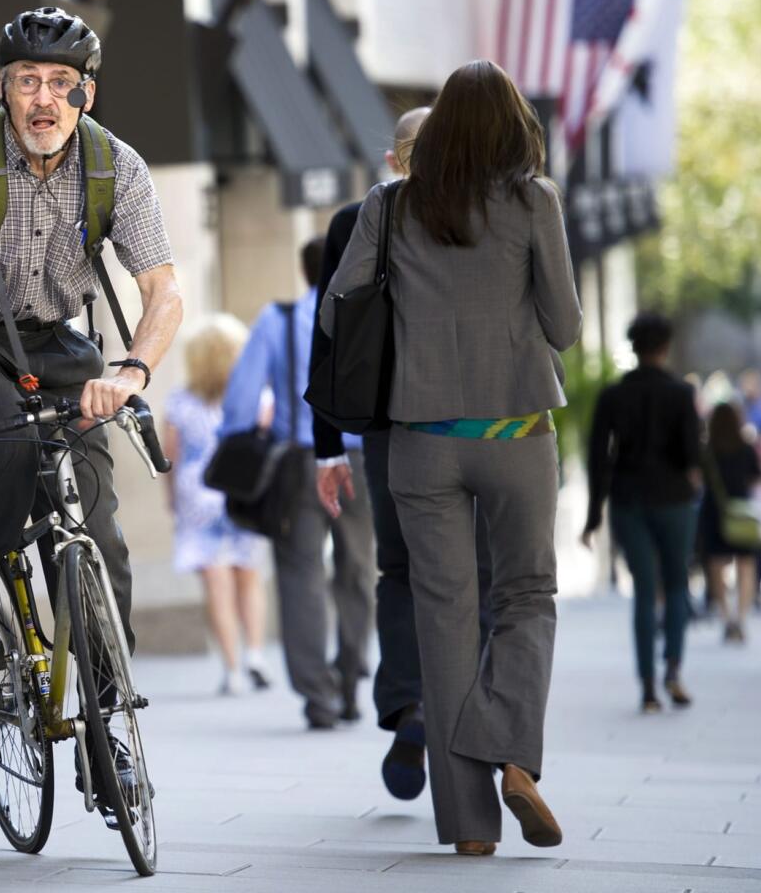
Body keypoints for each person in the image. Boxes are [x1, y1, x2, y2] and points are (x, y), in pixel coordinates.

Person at [0, 6, 183, 788]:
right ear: (4, 88)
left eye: (61, 83)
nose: (44, 99)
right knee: (4, 441)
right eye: (28, 81)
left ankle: (105, 726)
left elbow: (162, 291)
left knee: (101, 535)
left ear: (87, 94)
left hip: (56, 343)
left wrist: (129, 374)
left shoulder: (116, 166)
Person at [323, 60, 582, 856]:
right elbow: (565, 326)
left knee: (442, 625)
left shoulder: (391, 205)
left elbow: (339, 309)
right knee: (527, 595)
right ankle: (513, 753)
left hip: (421, 441)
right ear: (515, 127)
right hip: (515, 433)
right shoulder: (534, 201)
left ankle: (469, 830)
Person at [310, 107, 494, 802]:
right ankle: (463, 714)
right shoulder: (489, 215)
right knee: (473, 574)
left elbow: (328, 336)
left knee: (401, 570)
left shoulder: (354, 221)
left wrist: (328, 446)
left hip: (388, 426)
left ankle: (413, 705)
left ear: (394, 162)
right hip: (477, 425)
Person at [221, 238, 377, 730]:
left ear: (305, 270)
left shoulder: (279, 320)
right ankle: (350, 678)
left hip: (299, 463)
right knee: (358, 571)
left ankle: (319, 697)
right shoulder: (369, 315)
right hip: (361, 460)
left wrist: (241, 442)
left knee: (300, 576)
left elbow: (240, 403)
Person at [581, 312, 701, 713]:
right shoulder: (682, 394)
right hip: (674, 500)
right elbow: (691, 455)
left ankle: (648, 688)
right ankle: (674, 670)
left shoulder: (613, 396)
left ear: (633, 347)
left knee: (644, 593)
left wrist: (593, 515)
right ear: (665, 348)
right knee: (677, 584)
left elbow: (599, 458)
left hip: (629, 499)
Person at [163, 315, 271, 694]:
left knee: (216, 582)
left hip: (198, 491)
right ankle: (256, 654)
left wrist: (172, 500)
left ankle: (232, 669)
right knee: (248, 574)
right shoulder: (257, 395)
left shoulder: (179, 400)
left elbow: (170, 456)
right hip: (242, 489)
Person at [699, 402, 761, 643]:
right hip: (742, 514)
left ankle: (726, 617)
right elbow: (758, 477)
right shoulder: (746, 449)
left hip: (714, 512)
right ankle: (740, 617)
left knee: (716, 567)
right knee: (745, 566)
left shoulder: (708, 450)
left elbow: (697, 480)